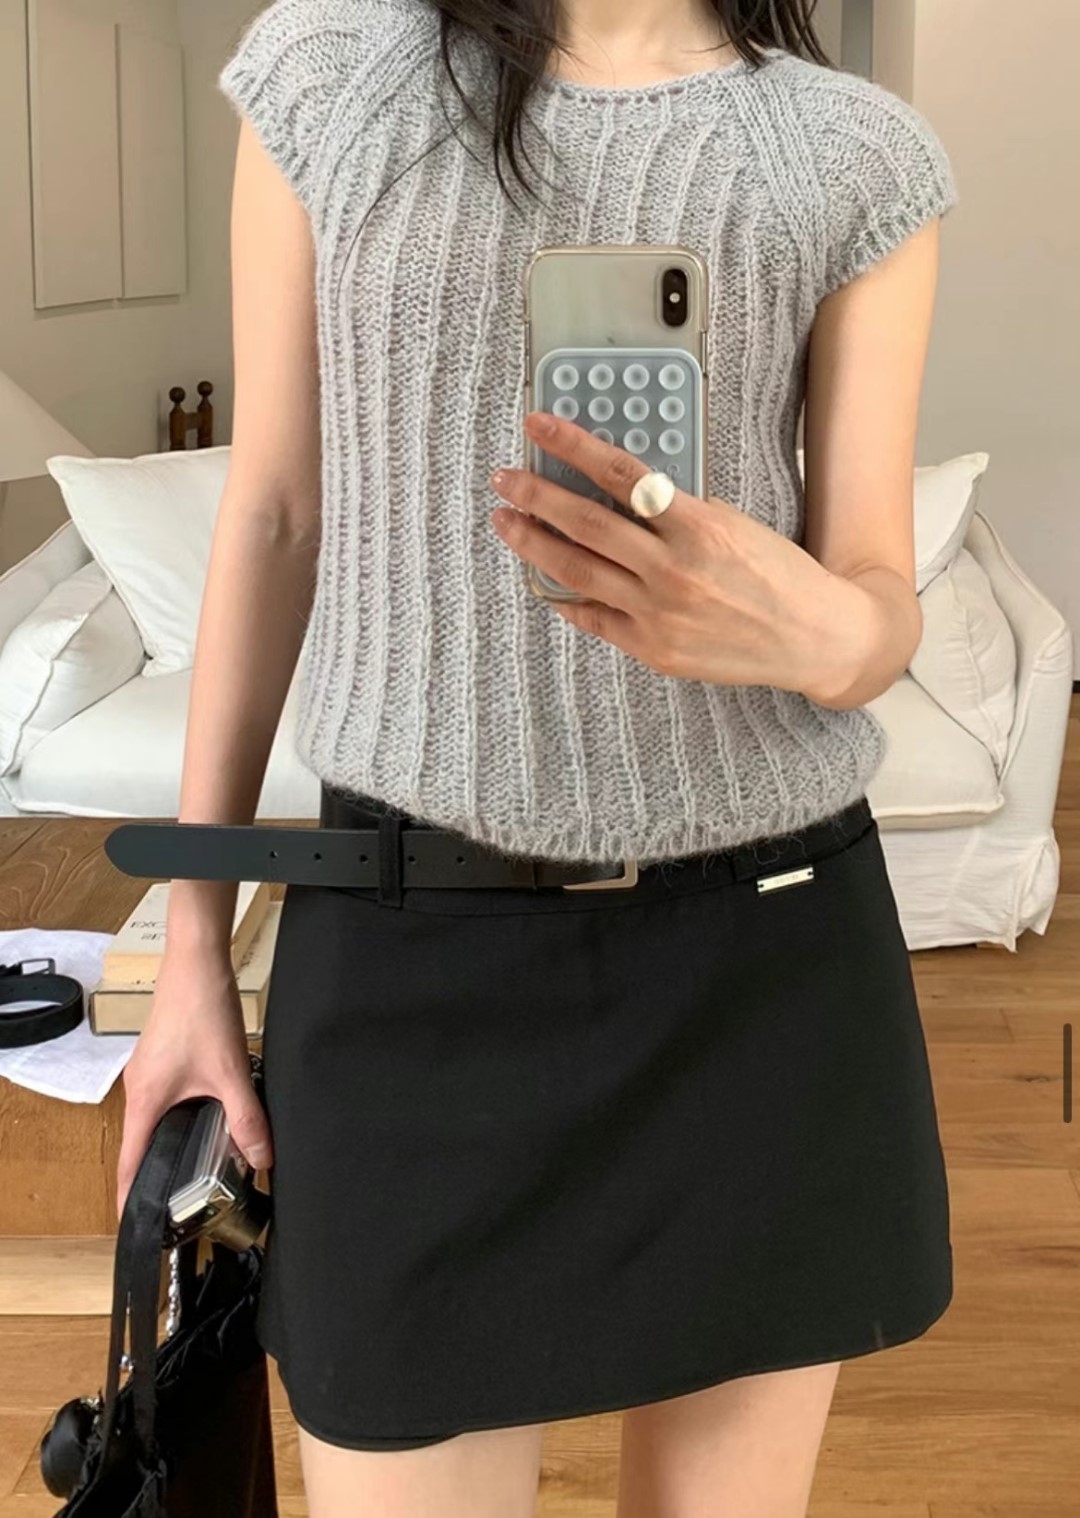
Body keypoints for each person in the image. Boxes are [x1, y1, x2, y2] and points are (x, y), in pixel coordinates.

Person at [117, 0, 959, 1513]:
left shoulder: (854, 156)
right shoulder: (330, 72)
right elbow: (276, 515)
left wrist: (810, 626)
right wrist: (192, 950)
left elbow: (875, 595)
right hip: (406, 964)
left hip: (763, 973)